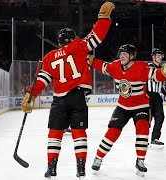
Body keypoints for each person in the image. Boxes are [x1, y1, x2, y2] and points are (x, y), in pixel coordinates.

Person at [20, 1, 115, 179]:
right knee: (79, 134)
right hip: (78, 97)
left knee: (54, 134)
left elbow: (41, 81)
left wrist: (31, 95)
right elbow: (97, 35)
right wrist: (103, 17)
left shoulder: (48, 57)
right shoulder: (79, 46)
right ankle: (80, 169)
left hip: (59, 100)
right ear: (72, 39)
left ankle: (51, 168)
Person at [88, 44, 166, 176]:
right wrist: (90, 59)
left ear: (132, 56)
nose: (121, 55)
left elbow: (156, 75)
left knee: (143, 130)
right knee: (112, 132)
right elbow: (102, 66)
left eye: (125, 54)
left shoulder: (141, 67)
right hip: (122, 106)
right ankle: (98, 158)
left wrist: (164, 73)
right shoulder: (115, 66)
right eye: (120, 53)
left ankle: (140, 161)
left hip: (141, 106)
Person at [147, 48, 166, 148]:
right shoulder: (148, 67)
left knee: (160, 117)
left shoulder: (162, 69)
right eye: (158, 56)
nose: (160, 58)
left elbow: (162, 84)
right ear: (153, 57)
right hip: (147, 95)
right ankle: (143, 139)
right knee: (147, 119)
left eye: (161, 56)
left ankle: (155, 138)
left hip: (157, 96)